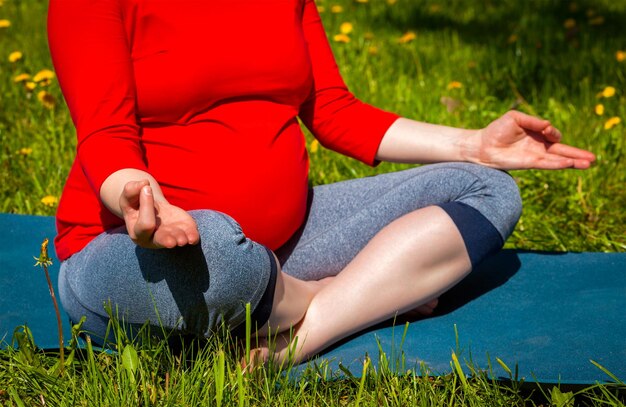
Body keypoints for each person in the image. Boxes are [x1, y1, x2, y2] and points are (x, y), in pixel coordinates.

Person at [47, 0, 595, 363]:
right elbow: (105, 132)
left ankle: (299, 337)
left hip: (290, 245)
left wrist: (474, 145)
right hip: (140, 248)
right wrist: (134, 197)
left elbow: (333, 110)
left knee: (488, 188)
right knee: (216, 249)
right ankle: (375, 290)